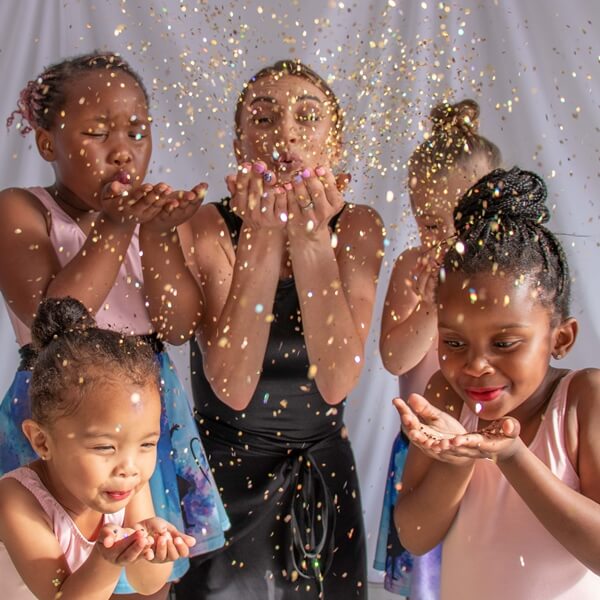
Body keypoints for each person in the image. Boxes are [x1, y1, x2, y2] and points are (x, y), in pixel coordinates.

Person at [140, 60, 384, 598]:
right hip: (225, 477)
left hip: (323, 474)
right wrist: (262, 234)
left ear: (333, 146)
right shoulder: (208, 223)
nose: (286, 133)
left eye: (307, 117)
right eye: (265, 118)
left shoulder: (359, 225)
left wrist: (312, 236)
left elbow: (338, 380)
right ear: (239, 143)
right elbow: (231, 383)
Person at [0, 51, 229, 598]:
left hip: (144, 413)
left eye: (136, 131)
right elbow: (53, 318)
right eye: (98, 133)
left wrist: (154, 235)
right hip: (67, 409)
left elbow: (177, 326)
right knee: (60, 567)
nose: (123, 150)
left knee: (149, 567)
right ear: (48, 143)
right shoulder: (19, 209)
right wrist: (118, 224)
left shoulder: (150, 220)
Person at [394, 166, 600, 599]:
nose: (476, 365)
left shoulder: (583, 402)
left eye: (504, 342)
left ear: (560, 338)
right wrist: (457, 460)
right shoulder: (444, 395)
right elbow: (414, 536)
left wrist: (513, 457)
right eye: (453, 341)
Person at [375, 100, 502, 598]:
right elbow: (394, 360)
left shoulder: (499, 275)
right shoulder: (413, 267)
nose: (445, 238)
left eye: (460, 222)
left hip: (486, 448)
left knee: (485, 572)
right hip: (426, 448)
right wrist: (430, 306)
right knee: (429, 580)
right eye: (430, 224)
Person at [0, 296, 197, 600]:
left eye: (147, 443)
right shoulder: (15, 499)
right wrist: (106, 559)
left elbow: (145, 584)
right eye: (105, 447)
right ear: (41, 441)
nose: (129, 466)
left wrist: (155, 552)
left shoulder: (126, 482)